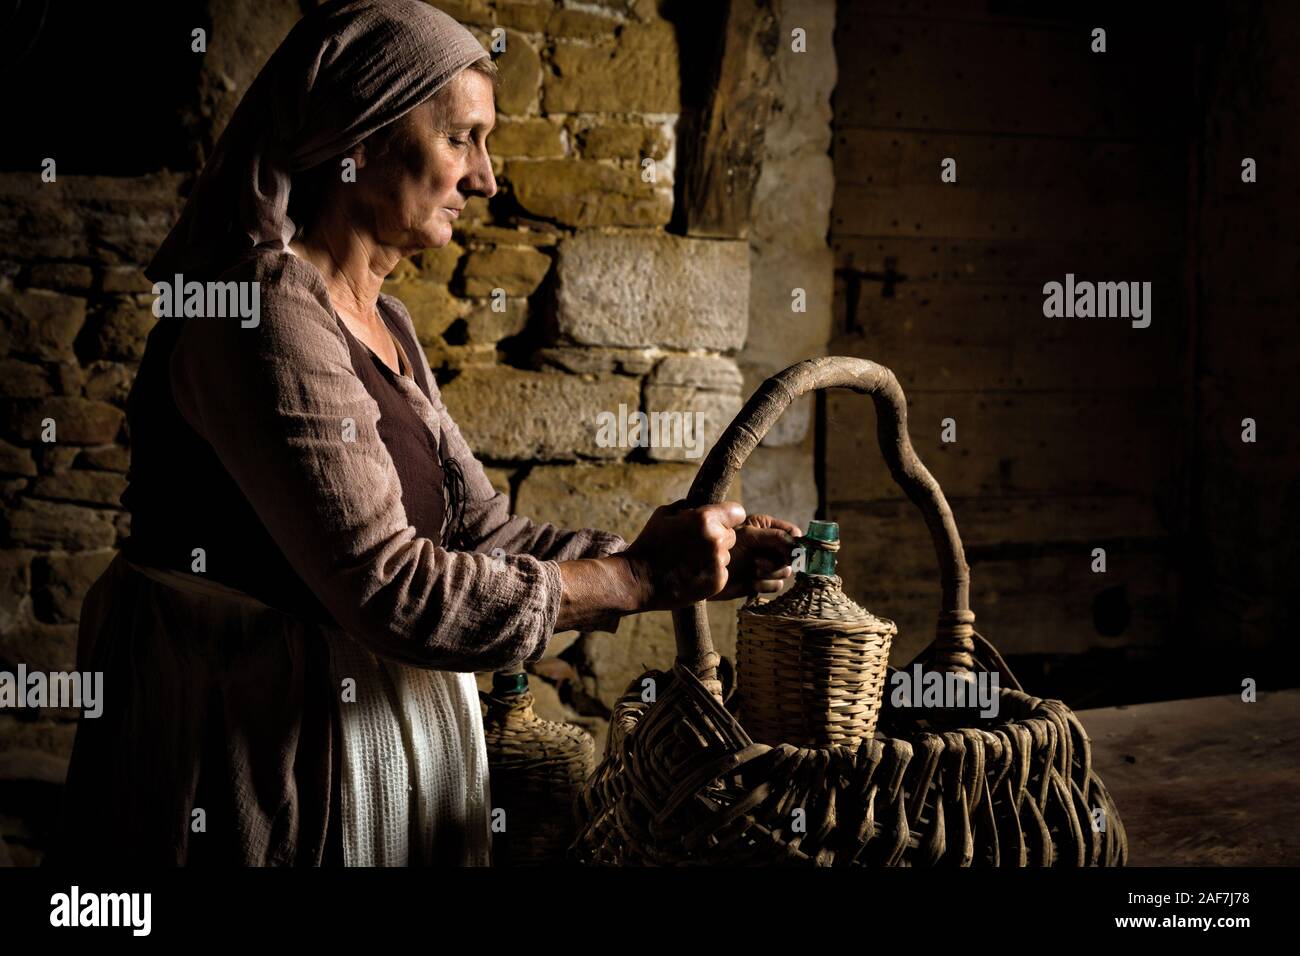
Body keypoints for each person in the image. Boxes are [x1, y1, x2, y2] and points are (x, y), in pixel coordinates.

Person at [52, 0, 800, 867]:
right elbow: (391, 588)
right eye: (462, 139)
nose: (485, 179)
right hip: (245, 747)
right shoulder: (259, 310)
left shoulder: (385, 321)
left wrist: (654, 553)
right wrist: (631, 578)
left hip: (341, 734)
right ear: (356, 140)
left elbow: (479, 532)